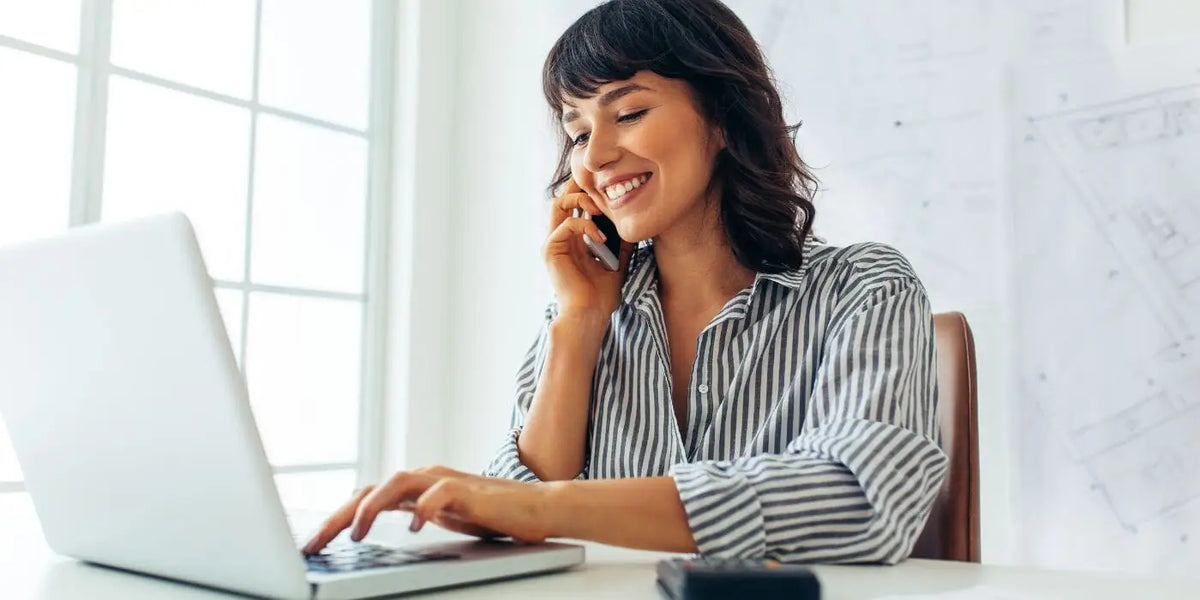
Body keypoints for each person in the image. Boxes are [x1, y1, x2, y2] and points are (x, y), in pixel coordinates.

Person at [304, 0, 946, 564]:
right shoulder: (585, 312)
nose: (594, 154)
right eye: (577, 130)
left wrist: (541, 509)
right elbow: (510, 512)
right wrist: (579, 322)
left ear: (723, 118)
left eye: (629, 112)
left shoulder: (864, 288)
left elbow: (860, 497)